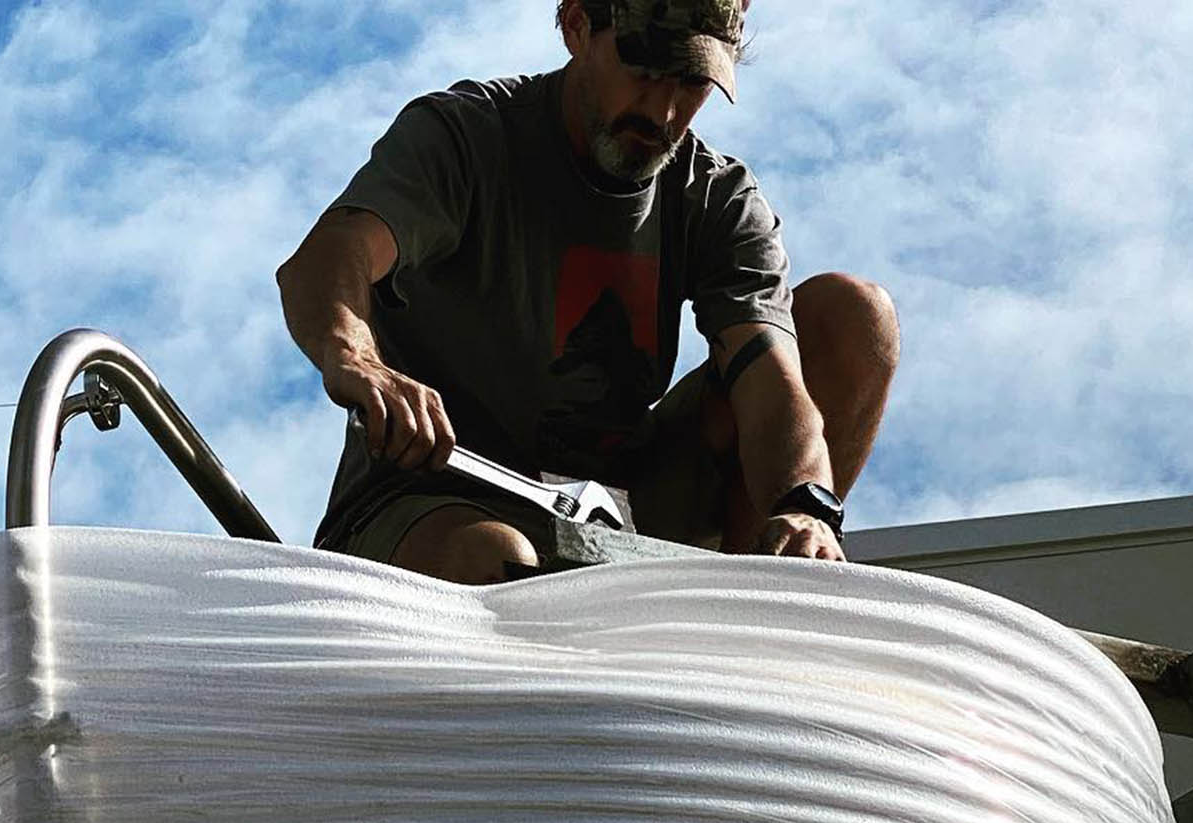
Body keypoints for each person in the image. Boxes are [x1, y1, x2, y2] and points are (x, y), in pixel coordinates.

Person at [276, 0, 899, 583]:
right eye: (646, 69)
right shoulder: (467, 136)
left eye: (692, 82)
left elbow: (773, 384)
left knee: (853, 318)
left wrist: (806, 504)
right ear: (576, 24)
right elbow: (334, 255)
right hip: (433, 497)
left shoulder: (716, 198)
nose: (663, 113)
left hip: (617, 507)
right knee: (499, 560)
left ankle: (753, 608)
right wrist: (355, 357)